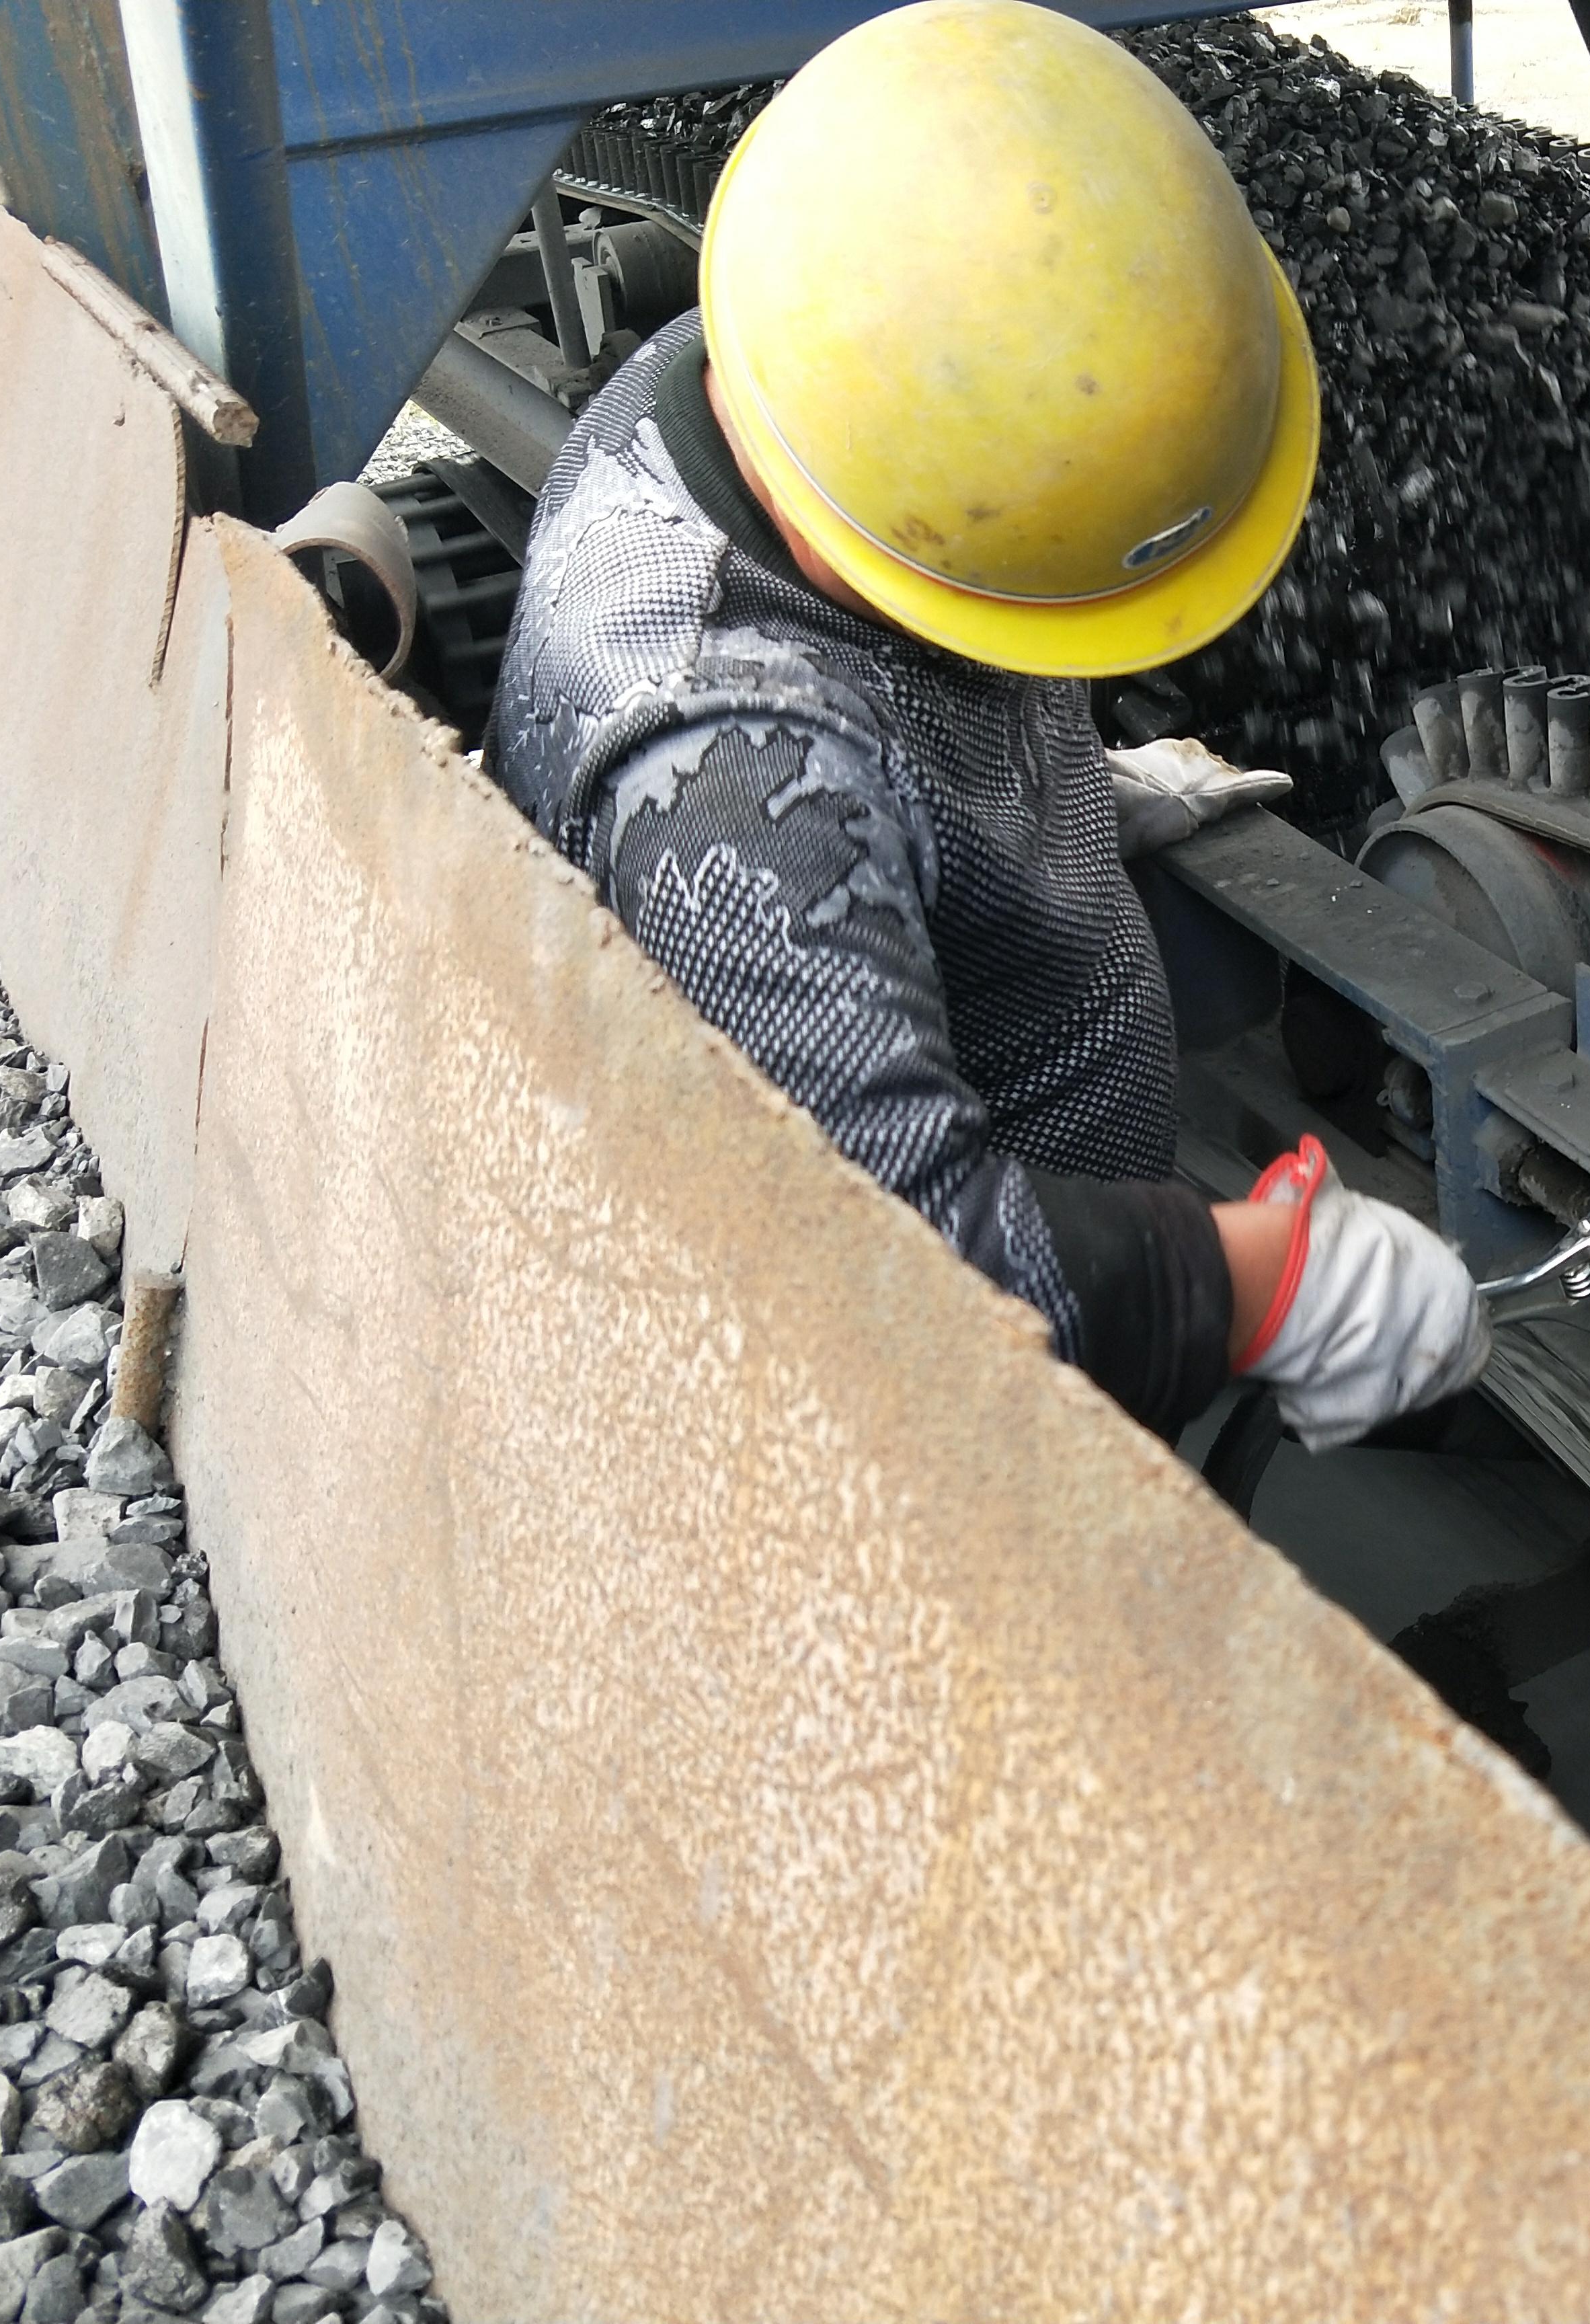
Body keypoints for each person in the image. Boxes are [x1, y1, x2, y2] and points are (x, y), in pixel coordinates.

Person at [487, 0, 1487, 1447]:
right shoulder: (733, 781)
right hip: (970, 1436)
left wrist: (1041, 793)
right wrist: (1261, 1288)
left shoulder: (794, 351)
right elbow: (879, 1293)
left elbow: (953, 609)